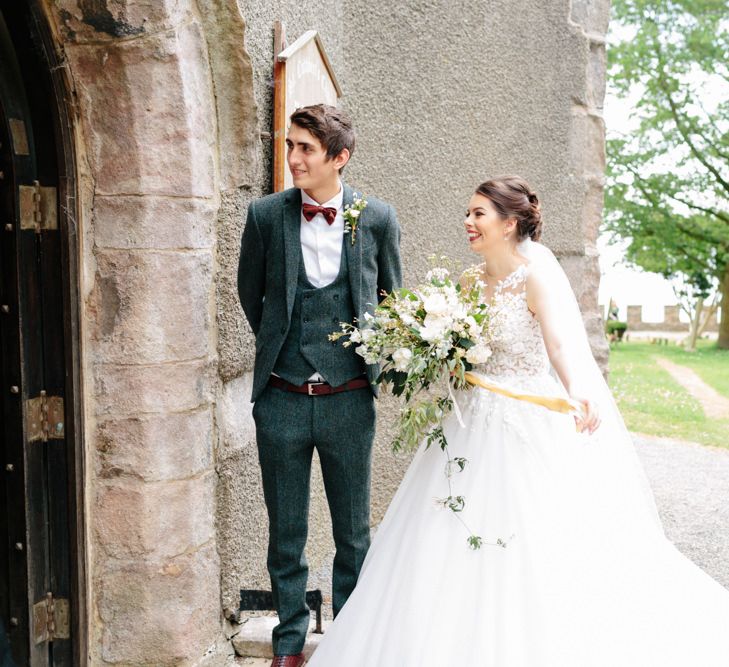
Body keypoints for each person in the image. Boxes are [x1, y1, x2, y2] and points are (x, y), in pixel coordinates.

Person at [307, 176, 729, 666]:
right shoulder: (464, 283)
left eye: (478, 214)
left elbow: (559, 344)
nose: (467, 222)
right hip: (467, 420)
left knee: (532, 535)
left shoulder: (534, 277)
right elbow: (458, 352)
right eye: (467, 213)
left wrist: (577, 391)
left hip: (525, 417)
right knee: (442, 531)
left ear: (509, 224)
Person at [237, 104, 402, 667]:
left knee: (353, 533)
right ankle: (289, 644)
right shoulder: (265, 215)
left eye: (306, 148)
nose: (293, 158)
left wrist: (359, 363)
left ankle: (348, 645)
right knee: (286, 534)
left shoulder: (376, 217)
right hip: (281, 399)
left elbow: (390, 300)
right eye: (290, 146)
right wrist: (283, 345)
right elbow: (250, 293)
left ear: (340, 157)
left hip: (349, 399)